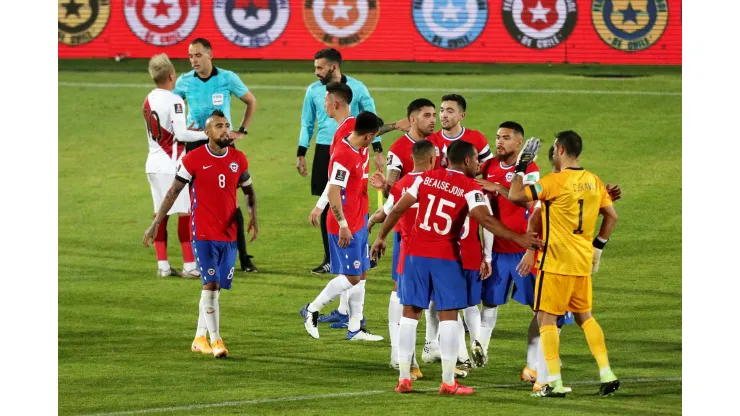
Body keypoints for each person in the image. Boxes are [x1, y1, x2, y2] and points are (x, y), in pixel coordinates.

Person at [370, 140, 542, 395]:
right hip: (445, 256)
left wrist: (382, 236)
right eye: (476, 161)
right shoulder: (470, 187)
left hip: (415, 255)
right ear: (468, 161)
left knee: (410, 314)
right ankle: (448, 382)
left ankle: (404, 378)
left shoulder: (425, 178)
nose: (478, 165)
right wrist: (518, 238)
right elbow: (485, 219)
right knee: (449, 316)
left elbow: (397, 208)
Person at [506, 132, 620, 398]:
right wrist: (598, 247)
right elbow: (611, 215)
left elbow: (514, 194)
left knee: (546, 319)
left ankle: (553, 383)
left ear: (559, 149)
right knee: (585, 317)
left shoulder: (553, 182)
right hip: (582, 263)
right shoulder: (594, 180)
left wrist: (522, 165)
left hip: (555, 262)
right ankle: (607, 373)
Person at [143, 110, 259, 358]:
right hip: (203, 233)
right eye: (219, 126)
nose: (225, 130)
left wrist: (253, 216)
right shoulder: (193, 159)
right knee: (211, 284)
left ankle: (199, 338)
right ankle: (217, 341)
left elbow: (249, 190)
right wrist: (156, 223)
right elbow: (173, 193)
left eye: (227, 125)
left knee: (214, 290)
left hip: (228, 235)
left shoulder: (238, 158)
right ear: (207, 133)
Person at [297, 48, 407, 274]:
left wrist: (322, 209)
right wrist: (395, 126)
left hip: (352, 198)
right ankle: (350, 265)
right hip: (350, 186)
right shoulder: (350, 128)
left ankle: (314, 307)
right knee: (357, 272)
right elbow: (371, 129)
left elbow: (371, 126)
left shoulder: (348, 131)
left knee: (352, 276)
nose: (316, 72)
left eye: (320, 67)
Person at [173, 38, 258, 273]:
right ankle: (204, 256)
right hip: (196, 147)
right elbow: (172, 104)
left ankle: (243, 258)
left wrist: (241, 130)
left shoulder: (227, 78)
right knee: (199, 204)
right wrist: (180, 126)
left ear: (210, 55)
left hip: (224, 147)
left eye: (198, 55)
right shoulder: (184, 81)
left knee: (231, 202)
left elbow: (250, 101)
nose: (193, 60)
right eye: (190, 56)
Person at [300, 112, 387, 342]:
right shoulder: (344, 155)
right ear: (368, 136)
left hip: (359, 218)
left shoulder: (358, 145)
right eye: (374, 137)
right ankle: (311, 309)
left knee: (362, 270)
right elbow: (334, 191)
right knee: (352, 277)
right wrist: (343, 225)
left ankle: (355, 328)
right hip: (345, 224)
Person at [422, 94, 493, 368]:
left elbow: (485, 172)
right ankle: (474, 344)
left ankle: (457, 356)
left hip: (443, 244)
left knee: (442, 304)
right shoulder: (433, 143)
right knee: (468, 304)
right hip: (469, 240)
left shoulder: (475, 142)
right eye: (441, 111)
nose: (443, 116)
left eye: (449, 111)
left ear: (461, 114)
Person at [471, 121, 542, 375]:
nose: (499, 142)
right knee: (489, 305)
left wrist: (500, 189)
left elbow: (535, 206)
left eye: (506, 138)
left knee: (541, 309)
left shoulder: (530, 170)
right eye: (498, 137)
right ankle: (479, 353)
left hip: (523, 251)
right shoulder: (488, 166)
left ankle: (533, 366)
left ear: (519, 143)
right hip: (497, 252)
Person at [367, 140, 437, 380]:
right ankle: (445, 363)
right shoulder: (440, 183)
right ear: (432, 159)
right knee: (446, 309)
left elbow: (387, 210)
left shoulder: (403, 185)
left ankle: (407, 364)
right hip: (436, 254)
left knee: (409, 308)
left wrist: (377, 232)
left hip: (407, 253)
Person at [142, 53, 208, 278]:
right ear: (172, 76)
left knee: (160, 214)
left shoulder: (148, 99)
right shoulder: (175, 100)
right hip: (171, 165)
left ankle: (163, 266)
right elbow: (180, 134)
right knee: (185, 212)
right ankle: (190, 266)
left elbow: (166, 131)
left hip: (153, 163)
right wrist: (203, 135)